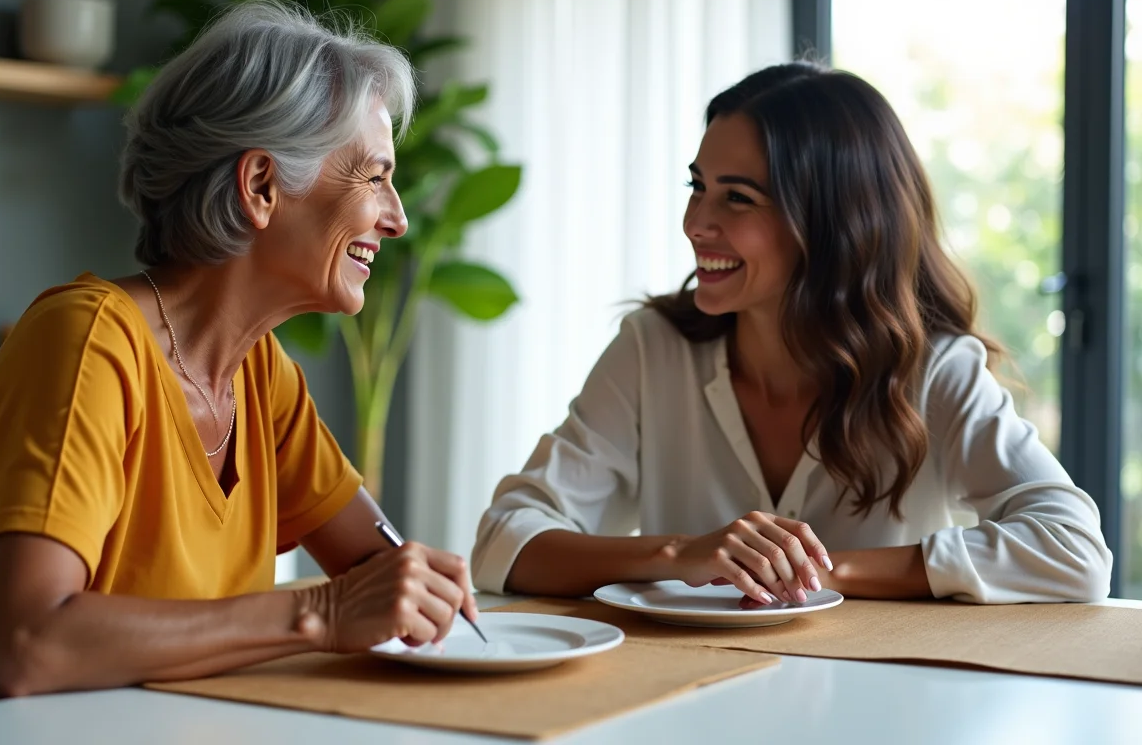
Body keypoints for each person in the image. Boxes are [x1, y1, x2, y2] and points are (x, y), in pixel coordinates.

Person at [0, 0, 477, 723]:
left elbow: (375, 572)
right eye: (374, 177)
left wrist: (409, 588)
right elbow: (28, 646)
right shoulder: (87, 343)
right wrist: (319, 614)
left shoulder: (261, 374)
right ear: (260, 187)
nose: (398, 216)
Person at [471, 62, 1112, 607]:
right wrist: (680, 554)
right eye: (698, 187)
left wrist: (824, 569)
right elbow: (505, 541)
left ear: (834, 223)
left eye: (737, 198)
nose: (697, 222)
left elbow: (1074, 550)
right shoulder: (651, 349)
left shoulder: (935, 370)